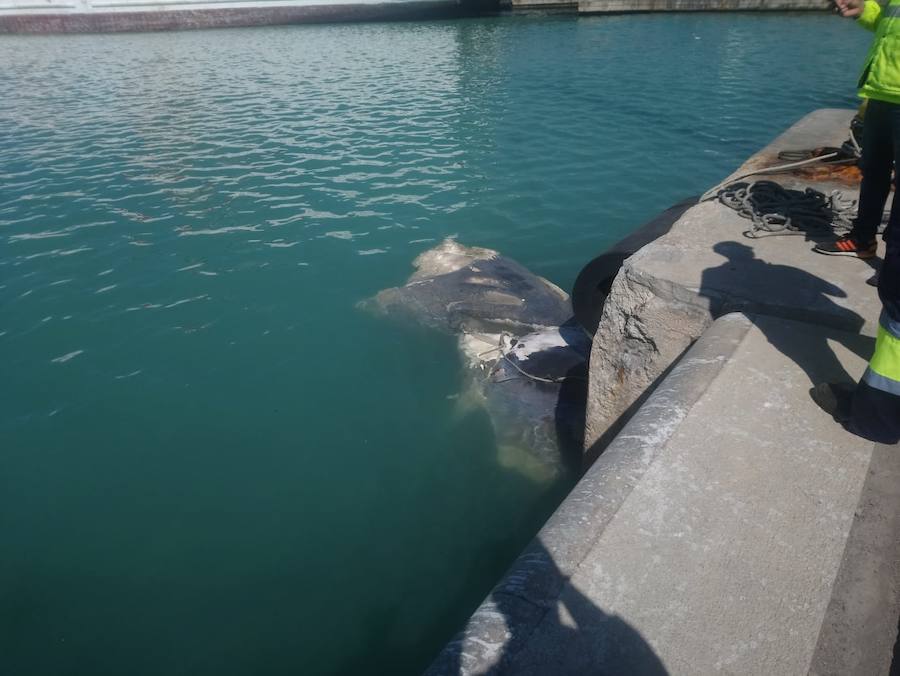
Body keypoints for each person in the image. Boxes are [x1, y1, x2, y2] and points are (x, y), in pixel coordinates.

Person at [810, 0, 900, 444]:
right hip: (885, 94)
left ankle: (877, 417)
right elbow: (889, 22)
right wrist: (864, 10)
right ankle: (863, 240)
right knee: (876, 174)